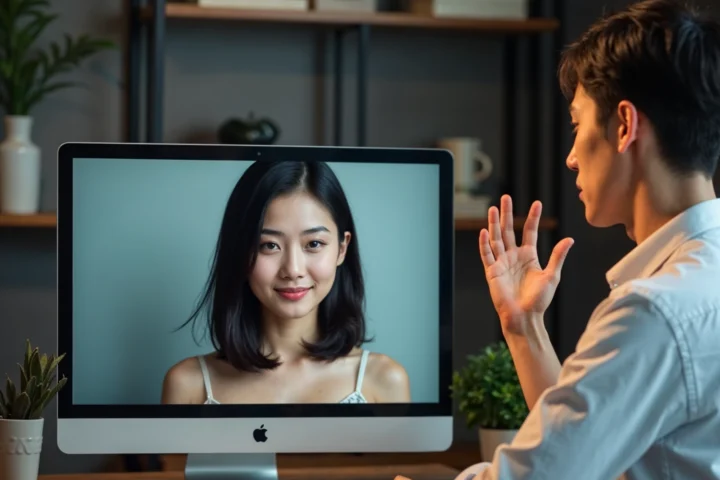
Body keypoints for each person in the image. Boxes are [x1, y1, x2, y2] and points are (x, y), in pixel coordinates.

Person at [399, 0, 720, 479]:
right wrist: (524, 325)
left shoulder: (654, 311)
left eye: (577, 124)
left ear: (625, 125)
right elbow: (583, 450)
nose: (570, 157)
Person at [162, 159, 410, 405]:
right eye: (269, 245)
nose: (293, 270)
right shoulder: (187, 384)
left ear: (342, 248)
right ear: (239, 251)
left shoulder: (384, 380)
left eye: (314, 244)